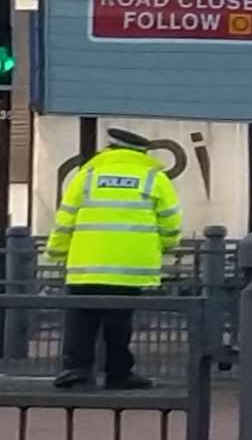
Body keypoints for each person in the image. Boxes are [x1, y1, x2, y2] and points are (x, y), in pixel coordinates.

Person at [48, 128, 182, 389]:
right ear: (142, 152)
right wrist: (167, 245)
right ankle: (118, 373)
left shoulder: (87, 174)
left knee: (81, 319)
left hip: (85, 263)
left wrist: (56, 250)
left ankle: (76, 371)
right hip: (129, 266)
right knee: (119, 322)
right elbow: (170, 221)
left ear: (109, 149)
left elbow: (66, 217)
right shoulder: (154, 177)